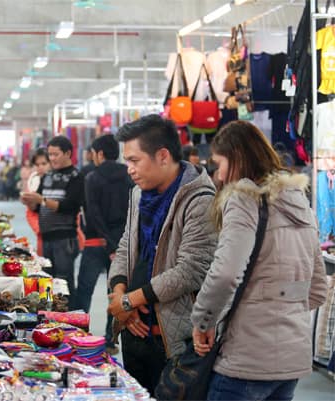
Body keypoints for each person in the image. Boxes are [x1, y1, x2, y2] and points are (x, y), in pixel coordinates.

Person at [191, 121, 328, 401]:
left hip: (246, 358)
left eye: (220, 164)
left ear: (238, 158)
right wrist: (281, 306)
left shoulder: (243, 197)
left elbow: (226, 273)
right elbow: (317, 289)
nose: (218, 175)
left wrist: (203, 321)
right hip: (291, 360)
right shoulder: (300, 202)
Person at [106, 115, 217, 393]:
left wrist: (131, 300)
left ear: (163, 156)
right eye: (127, 161)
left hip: (172, 340)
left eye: (134, 160)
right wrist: (119, 294)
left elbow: (191, 270)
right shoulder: (138, 194)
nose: (129, 169)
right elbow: (125, 248)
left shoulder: (199, 199)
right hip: (134, 330)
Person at [77, 134, 133, 355]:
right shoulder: (129, 177)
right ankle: (111, 339)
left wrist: (107, 243)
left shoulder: (92, 177)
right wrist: (117, 245)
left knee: (85, 290)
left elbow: (93, 214)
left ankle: (80, 334)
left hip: (95, 241)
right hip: (121, 242)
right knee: (115, 292)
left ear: (99, 154)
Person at [21, 136, 84, 306]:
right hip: (47, 238)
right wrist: (30, 202)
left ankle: (70, 317)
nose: (52, 158)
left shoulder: (76, 176)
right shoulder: (47, 176)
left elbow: (69, 206)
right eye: (50, 154)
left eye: (56, 154)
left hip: (64, 239)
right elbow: (38, 206)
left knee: (64, 281)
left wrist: (41, 199)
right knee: (46, 279)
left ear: (68, 153)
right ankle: (49, 314)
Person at [24, 148, 51, 256]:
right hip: (42, 223)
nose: (40, 167)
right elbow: (36, 208)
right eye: (37, 164)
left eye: (44, 164)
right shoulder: (37, 178)